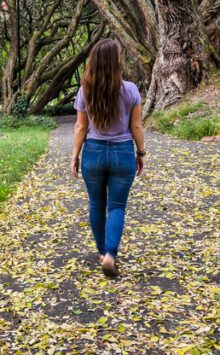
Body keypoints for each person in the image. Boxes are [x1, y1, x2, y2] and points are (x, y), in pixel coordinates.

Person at [70, 39, 146, 278]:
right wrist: (141, 153)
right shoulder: (131, 90)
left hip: (93, 152)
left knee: (96, 205)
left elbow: (81, 127)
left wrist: (75, 156)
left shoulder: (85, 90)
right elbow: (136, 125)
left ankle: (102, 253)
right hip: (122, 152)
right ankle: (111, 254)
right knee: (116, 206)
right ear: (115, 61)